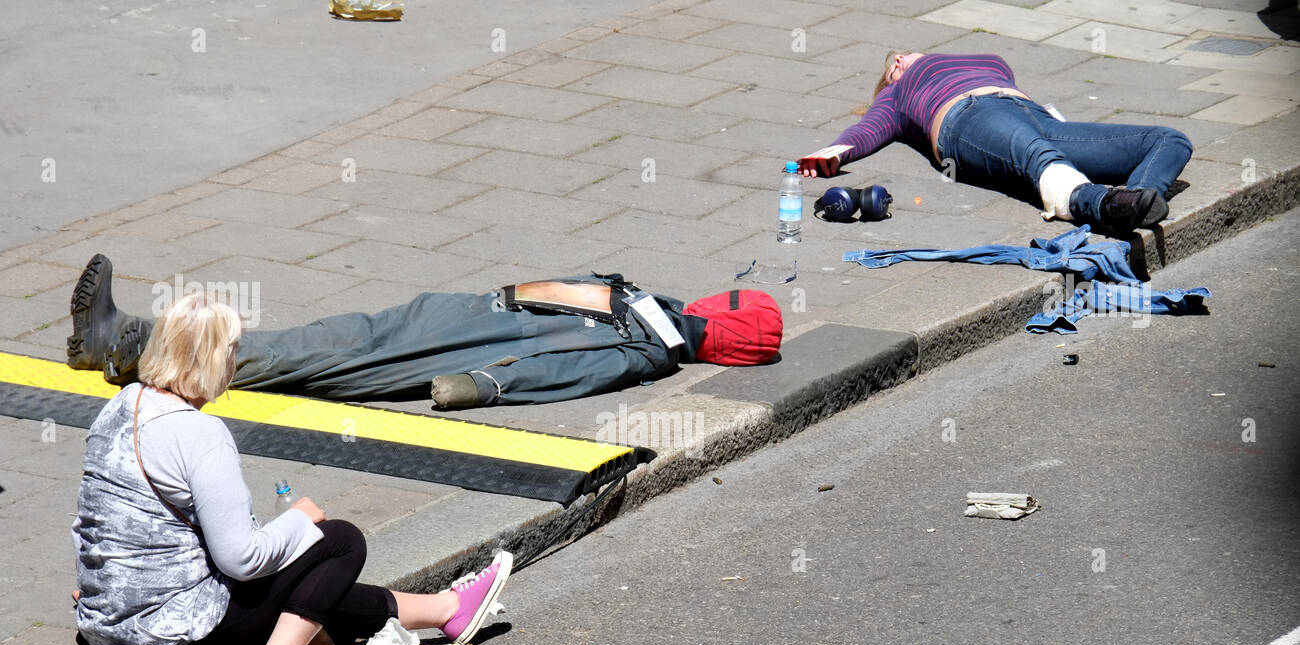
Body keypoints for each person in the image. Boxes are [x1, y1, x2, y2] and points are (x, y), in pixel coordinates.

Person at [72, 291, 513, 645]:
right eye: (231, 351)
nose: (233, 361)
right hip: (171, 633)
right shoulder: (201, 436)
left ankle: (447, 611)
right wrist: (299, 522)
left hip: (107, 623)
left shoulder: (121, 405)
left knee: (308, 588)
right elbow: (242, 560)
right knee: (339, 542)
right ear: (211, 360)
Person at [66, 254, 783, 405]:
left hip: (454, 344)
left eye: (728, 302)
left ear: (725, 321)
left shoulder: (641, 349)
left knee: (318, 355)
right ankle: (136, 346)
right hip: (453, 317)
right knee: (333, 338)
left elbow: (565, 369)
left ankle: (130, 345)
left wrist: (479, 386)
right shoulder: (651, 315)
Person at [798, 51, 1193, 233]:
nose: (897, 59)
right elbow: (867, 130)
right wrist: (833, 153)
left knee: (1168, 139)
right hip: (966, 118)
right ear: (895, 74)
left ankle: (1140, 201)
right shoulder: (898, 93)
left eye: (896, 59)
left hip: (1033, 114)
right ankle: (1099, 204)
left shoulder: (983, 62)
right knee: (1036, 155)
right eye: (892, 65)